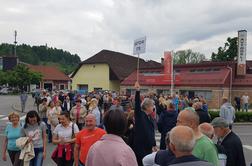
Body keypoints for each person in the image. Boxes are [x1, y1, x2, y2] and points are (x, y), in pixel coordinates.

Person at [133, 82, 157, 166]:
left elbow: (150, 132)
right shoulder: (140, 116)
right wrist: (137, 91)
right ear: (146, 107)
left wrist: (154, 144)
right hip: (140, 149)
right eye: (152, 106)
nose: (153, 108)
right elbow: (136, 105)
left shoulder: (149, 117)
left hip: (147, 149)